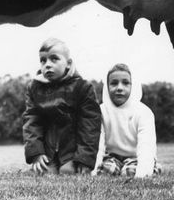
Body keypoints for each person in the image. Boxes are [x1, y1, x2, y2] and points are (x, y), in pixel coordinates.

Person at [22, 37, 101, 175]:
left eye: (54, 59)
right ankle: (47, 162)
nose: (47, 64)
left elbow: (89, 126)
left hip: (72, 152)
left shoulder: (82, 87)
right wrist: (36, 154)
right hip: (48, 152)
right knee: (44, 174)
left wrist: (84, 159)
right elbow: (31, 122)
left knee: (67, 172)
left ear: (68, 63)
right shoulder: (34, 88)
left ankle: (72, 163)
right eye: (43, 60)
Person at [93, 63, 161, 178]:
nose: (119, 88)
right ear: (107, 87)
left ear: (133, 85)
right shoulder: (101, 111)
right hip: (112, 157)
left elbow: (146, 146)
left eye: (125, 83)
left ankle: (152, 167)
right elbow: (98, 144)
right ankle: (117, 168)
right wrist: (94, 170)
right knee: (107, 171)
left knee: (129, 172)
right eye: (114, 83)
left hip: (136, 157)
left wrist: (143, 173)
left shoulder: (144, 112)